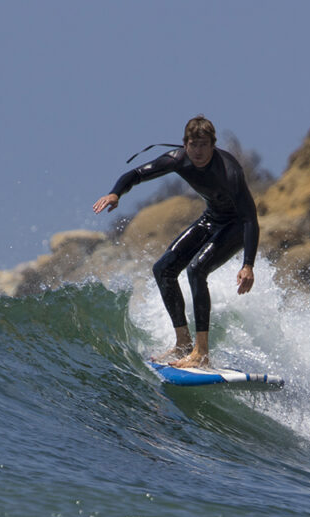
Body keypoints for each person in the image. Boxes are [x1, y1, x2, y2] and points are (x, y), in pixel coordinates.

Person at [92, 115, 259, 368]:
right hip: (212, 218)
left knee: (196, 270)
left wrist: (248, 265)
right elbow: (136, 174)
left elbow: (250, 218)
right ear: (185, 144)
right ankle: (183, 343)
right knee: (163, 269)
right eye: (194, 144)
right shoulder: (177, 159)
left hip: (237, 225)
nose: (199, 151)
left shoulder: (229, 171)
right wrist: (116, 193)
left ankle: (201, 354)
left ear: (213, 145)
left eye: (204, 145)